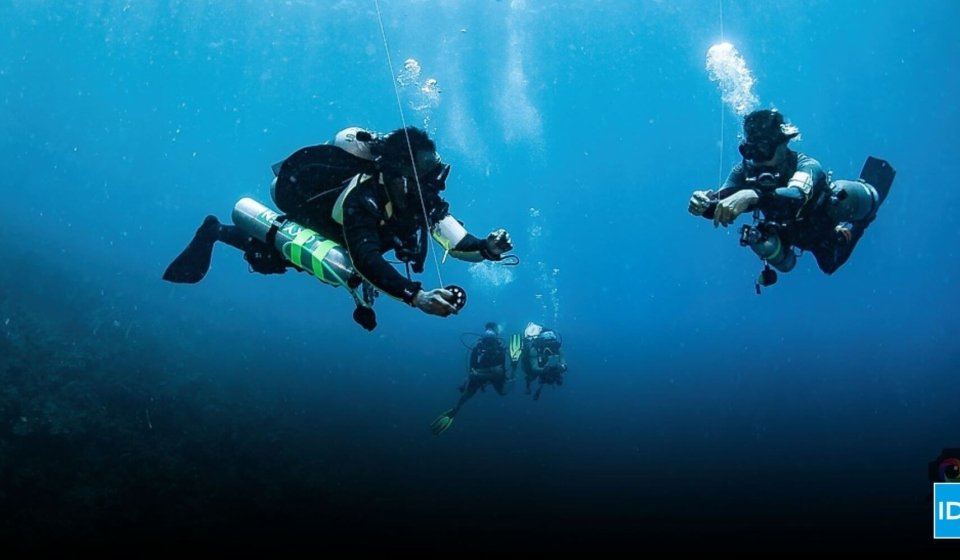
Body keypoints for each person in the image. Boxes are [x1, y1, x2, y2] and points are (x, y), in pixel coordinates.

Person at [163, 126, 514, 329]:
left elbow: (457, 241)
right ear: (400, 172)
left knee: (286, 260)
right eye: (425, 172)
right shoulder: (363, 199)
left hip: (346, 243)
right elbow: (365, 257)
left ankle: (222, 233)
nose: (433, 184)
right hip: (322, 229)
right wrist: (415, 295)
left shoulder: (422, 199)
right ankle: (214, 231)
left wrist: (486, 248)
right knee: (269, 258)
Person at [687, 109, 894, 288]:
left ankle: (860, 217)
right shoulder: (744, 170)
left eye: (763, 150)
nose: (756, 159)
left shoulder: (806, 166)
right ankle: (837, 239)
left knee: (842, 197)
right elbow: (722, 202)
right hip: (793, 234)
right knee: (827, 263)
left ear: (783, 143)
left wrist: (753, 194)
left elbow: (796, 196)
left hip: (823, 218)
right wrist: (704, 204)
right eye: (749, 150)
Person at [430, 322, 512, 436]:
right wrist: (485, 373)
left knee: (502, 391)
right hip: (480, 376)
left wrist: (481, 373)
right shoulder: (477, 349)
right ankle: (454, 411)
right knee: (466, 394)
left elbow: (501, 372)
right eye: (487, 331)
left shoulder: (501, 351)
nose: (489, 343)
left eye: (491, 339)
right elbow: (472, 369)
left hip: (486, 376)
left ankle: (455, 410)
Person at [512, 322, 567, 401]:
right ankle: (528, 386)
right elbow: (534, 367)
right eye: (547, 344)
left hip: (545, 367)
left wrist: (562, 367)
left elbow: (563, 362)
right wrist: (544, 370)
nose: (549, 348)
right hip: (538, 368)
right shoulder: (534, 349)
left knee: (555, 377)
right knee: (531, 376)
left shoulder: (558, 348)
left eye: (551, 344)